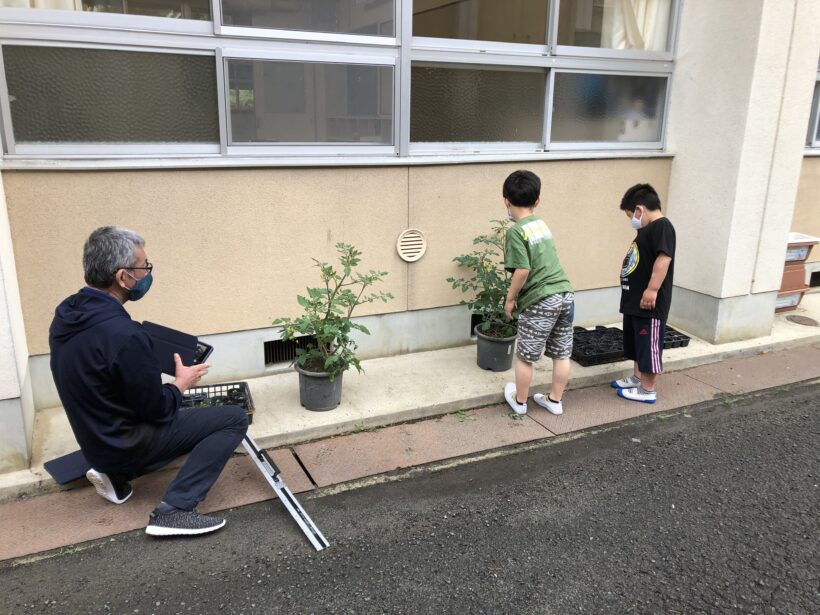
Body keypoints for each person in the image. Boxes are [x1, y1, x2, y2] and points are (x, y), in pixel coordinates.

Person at [49, 227, 248, 537]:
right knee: (232, 419)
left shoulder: (66, 315)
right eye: (144, 266)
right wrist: (181, 382)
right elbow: (158, 411)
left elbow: (102, 368)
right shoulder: (126, 336)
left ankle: (114, 475)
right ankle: (176, 510)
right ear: (123, 277)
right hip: (125, 444)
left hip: (94, 440)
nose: (147, 271)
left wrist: (141, 358)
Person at [502, 170, 575, 416]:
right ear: (537, 201)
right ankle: (555, 401)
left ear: (506, 201)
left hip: (541, 298)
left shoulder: (516, 231)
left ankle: (520, 401)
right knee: (562, 351)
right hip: (565, 293)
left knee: (525, 356)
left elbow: (522, 270)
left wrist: (510, 299)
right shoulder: (541, 224)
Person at [611, 184, 676, 403]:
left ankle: (648, 390)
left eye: (631, 215)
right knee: (637, 343)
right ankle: (637, 378)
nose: (632, 221)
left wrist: (652, 289)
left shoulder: (662, 227)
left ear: (640, 209)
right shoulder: (646, 230)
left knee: (649, 346)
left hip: (650, 303)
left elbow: (663, 258)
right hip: (635, 302)